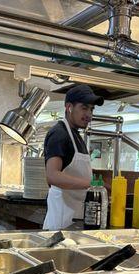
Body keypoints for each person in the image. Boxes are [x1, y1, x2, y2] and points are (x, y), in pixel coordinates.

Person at [42, 85, 104, 230]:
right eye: (84, 108)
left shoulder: (75, 134)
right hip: (60, 226)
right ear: (69, 107)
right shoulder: (59, 134)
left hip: (73, 222)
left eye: (91, 109)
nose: (89, 114)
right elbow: (52, 176)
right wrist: (91, 184)